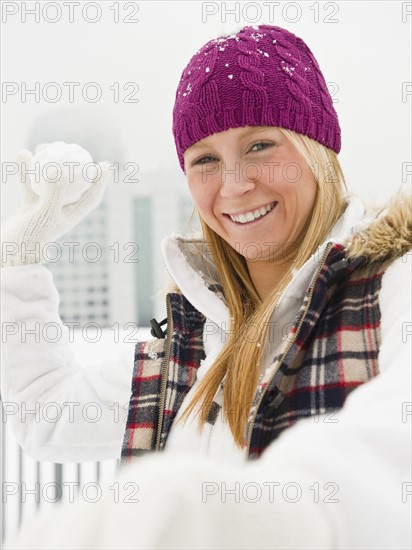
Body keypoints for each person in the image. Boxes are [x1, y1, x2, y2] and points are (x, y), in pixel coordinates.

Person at [1, 24, 411, 549]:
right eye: (206, 160)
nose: (235, 184)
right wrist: (19, 260)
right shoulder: (191, 342)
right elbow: (49, 415)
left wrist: (281, 513)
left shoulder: (391, 286)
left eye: (260, 144)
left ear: (316, 150)